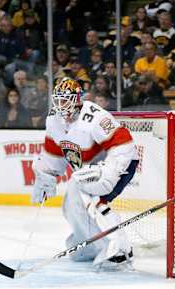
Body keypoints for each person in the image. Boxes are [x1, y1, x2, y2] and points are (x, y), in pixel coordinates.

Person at [31, 77, 138, 268]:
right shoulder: (54, 120)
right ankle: (93, 246)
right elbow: (54, 154)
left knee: (93, 201)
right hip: (85, 172)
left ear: (77, 99)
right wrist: (46, 173)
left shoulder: (94, 116)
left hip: (119, 162)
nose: (59, 104)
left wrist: (108, 172)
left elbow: (124, 144)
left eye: (65, 100)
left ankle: (120, 249)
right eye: (57, 99)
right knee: (70, 206)